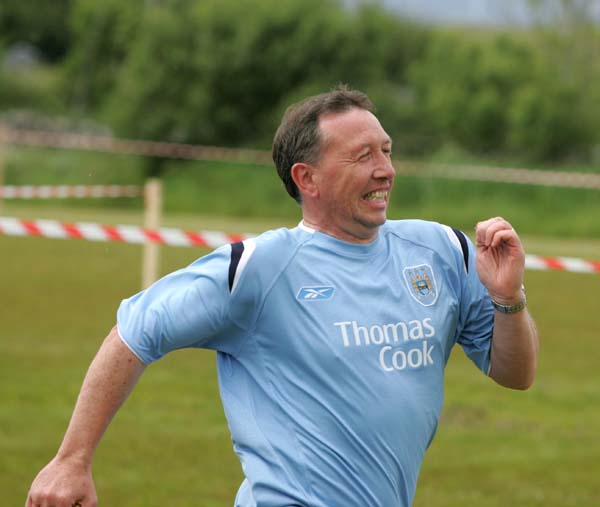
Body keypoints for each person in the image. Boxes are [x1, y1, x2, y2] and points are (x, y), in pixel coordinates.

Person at [26, 86, 538, 507]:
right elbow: (136, 332)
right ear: (306, 178)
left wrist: (508, 297)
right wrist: (72, 461)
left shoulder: (440, 249)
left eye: (386, 150)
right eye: (363, 156)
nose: (386, 169)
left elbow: (515, 374)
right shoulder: (259, 268)